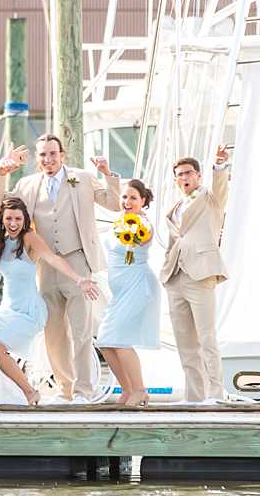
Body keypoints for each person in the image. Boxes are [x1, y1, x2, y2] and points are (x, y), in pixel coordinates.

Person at [0, 196, 99, 406]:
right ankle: (10, 391)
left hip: (29, 312)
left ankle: (30, 392)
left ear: (24, 220)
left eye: (17, 219)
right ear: (2, 220)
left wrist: (79, 279)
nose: (13, 224)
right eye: (8, 219)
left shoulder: (30, 239)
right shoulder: (1, 242)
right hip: (7, 310)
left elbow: (53, 259)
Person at [13, 135, 121, 402]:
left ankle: (85, 390)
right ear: (37, 159)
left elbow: (114, 203)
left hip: (77, 261)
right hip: (45, 266)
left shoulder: (82, 178)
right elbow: (5, 209)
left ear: (62, 154)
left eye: (52, 153)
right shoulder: (26, 184)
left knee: (82, 330)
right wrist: (3, 171)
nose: (48, 160)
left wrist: (108, 174)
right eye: (42, 155)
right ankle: (65, 389)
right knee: (54, 332)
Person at [161, 148, 231, 402]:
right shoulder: (175, 206)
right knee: (185, 342)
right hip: (175, 276)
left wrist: (220, 165)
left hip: (201, 274)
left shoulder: (210, 200)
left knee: (206, 336)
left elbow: (221, 188)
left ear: (199, 176)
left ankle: (215, 393)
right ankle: (194, 396)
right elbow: (175, 240)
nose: (184, 178)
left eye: (188, 173)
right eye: (179, 175)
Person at [96, 179, 162, 406]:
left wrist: (133, 228)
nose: (127, 201)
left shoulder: (142, 224)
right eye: (124, 197)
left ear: (143, 201)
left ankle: (140, 390)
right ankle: (127, 389)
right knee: (105, 341)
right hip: (119, 292)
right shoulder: (118, 221)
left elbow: (143, 236)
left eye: (133, 197)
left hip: (137, 286)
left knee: (121, 340)